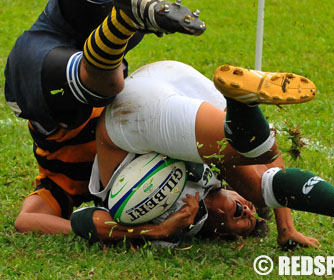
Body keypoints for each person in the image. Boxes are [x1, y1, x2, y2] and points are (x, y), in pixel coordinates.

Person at [69, 60, 334, 265]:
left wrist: (156, 230)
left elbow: (83, 221)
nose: (246, 212)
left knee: (255, 157)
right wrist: (285, 228)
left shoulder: (175, 229)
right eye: (249, 214)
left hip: (131, 119)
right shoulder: (216, 177)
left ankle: (242, 104)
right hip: (168, 87)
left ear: (217, 232)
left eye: (240, 222)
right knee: (260, 164)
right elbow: (271, 162)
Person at [4, 0, 205, 234]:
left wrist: (143, 232)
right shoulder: (151, 155)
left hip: (42, 71)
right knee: (111, 81)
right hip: (92, 52)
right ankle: (123, 20)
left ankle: (122, 20)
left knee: (106, 84)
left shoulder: (65, 181)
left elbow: (27, 220)